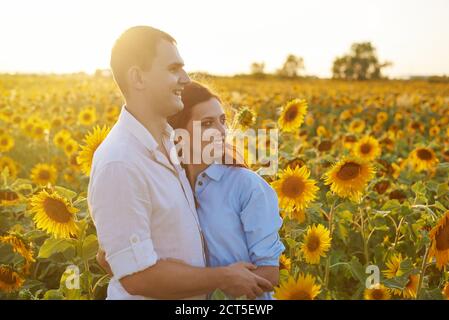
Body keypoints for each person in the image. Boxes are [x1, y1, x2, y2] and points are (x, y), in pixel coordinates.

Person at [88, 26, 273, 300]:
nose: (185, 79)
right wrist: (223, 277)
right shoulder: (120, 161)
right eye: (174, 69)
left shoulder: (171, 145)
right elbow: (138, 278)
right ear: (138, 77)